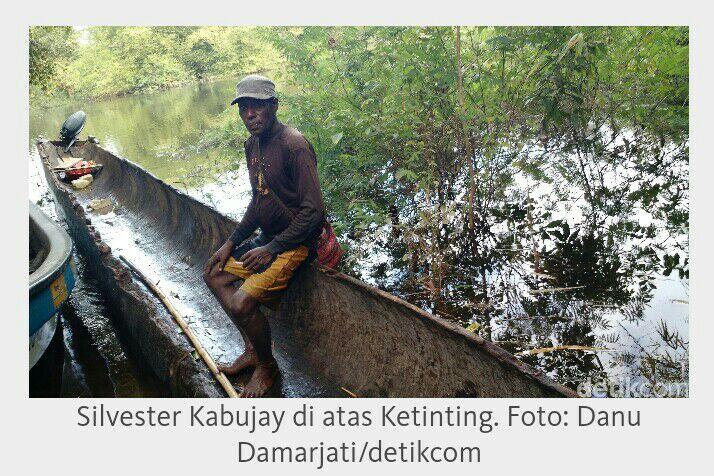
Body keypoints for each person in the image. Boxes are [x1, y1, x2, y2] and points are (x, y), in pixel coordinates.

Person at [203, 74, 326, 397]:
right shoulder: (252, 145)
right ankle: (253, 349)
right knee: (214, 274)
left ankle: (268, 366)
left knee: (242, 303)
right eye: (244, 107)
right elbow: (259, 200)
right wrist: (230, 242)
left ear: (273, 106)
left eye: (257, 106)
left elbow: (314, 213)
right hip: (271, 240)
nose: (249, 114)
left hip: (297, 243)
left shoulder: (294, 145)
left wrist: (272, 248)